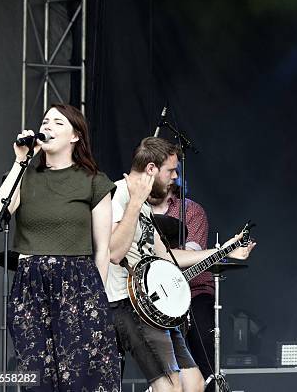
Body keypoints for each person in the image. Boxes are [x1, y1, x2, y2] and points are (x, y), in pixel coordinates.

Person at [107, 137, 255, 392]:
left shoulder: (143, 204)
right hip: (131, 302)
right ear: (151, 169)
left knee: (194, 384)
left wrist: (225, 250)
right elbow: (113, 251)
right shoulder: (119, 193)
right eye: (171, 170)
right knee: (171, 387)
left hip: (156, 305)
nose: (176, 176)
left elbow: (168, 257)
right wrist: (133, 203)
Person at [0, 104, 121, 391]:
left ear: (75, 135)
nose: (48, 126)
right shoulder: (25, 175)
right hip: (31, 281)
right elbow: (0, 211)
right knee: (35, 371)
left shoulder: (93, 181)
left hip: (78, 283)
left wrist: (96, 300)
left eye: (58, 122)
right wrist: (20, 161)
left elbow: (102, 249)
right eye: (45, 121)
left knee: (81, 374)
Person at [150, 179, 216, 384]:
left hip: (193, 289)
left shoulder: (191, 210)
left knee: (202, 336)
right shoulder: (138, 210)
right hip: (154, 293)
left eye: (172, 171)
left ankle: (209, 381)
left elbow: (190, 256)